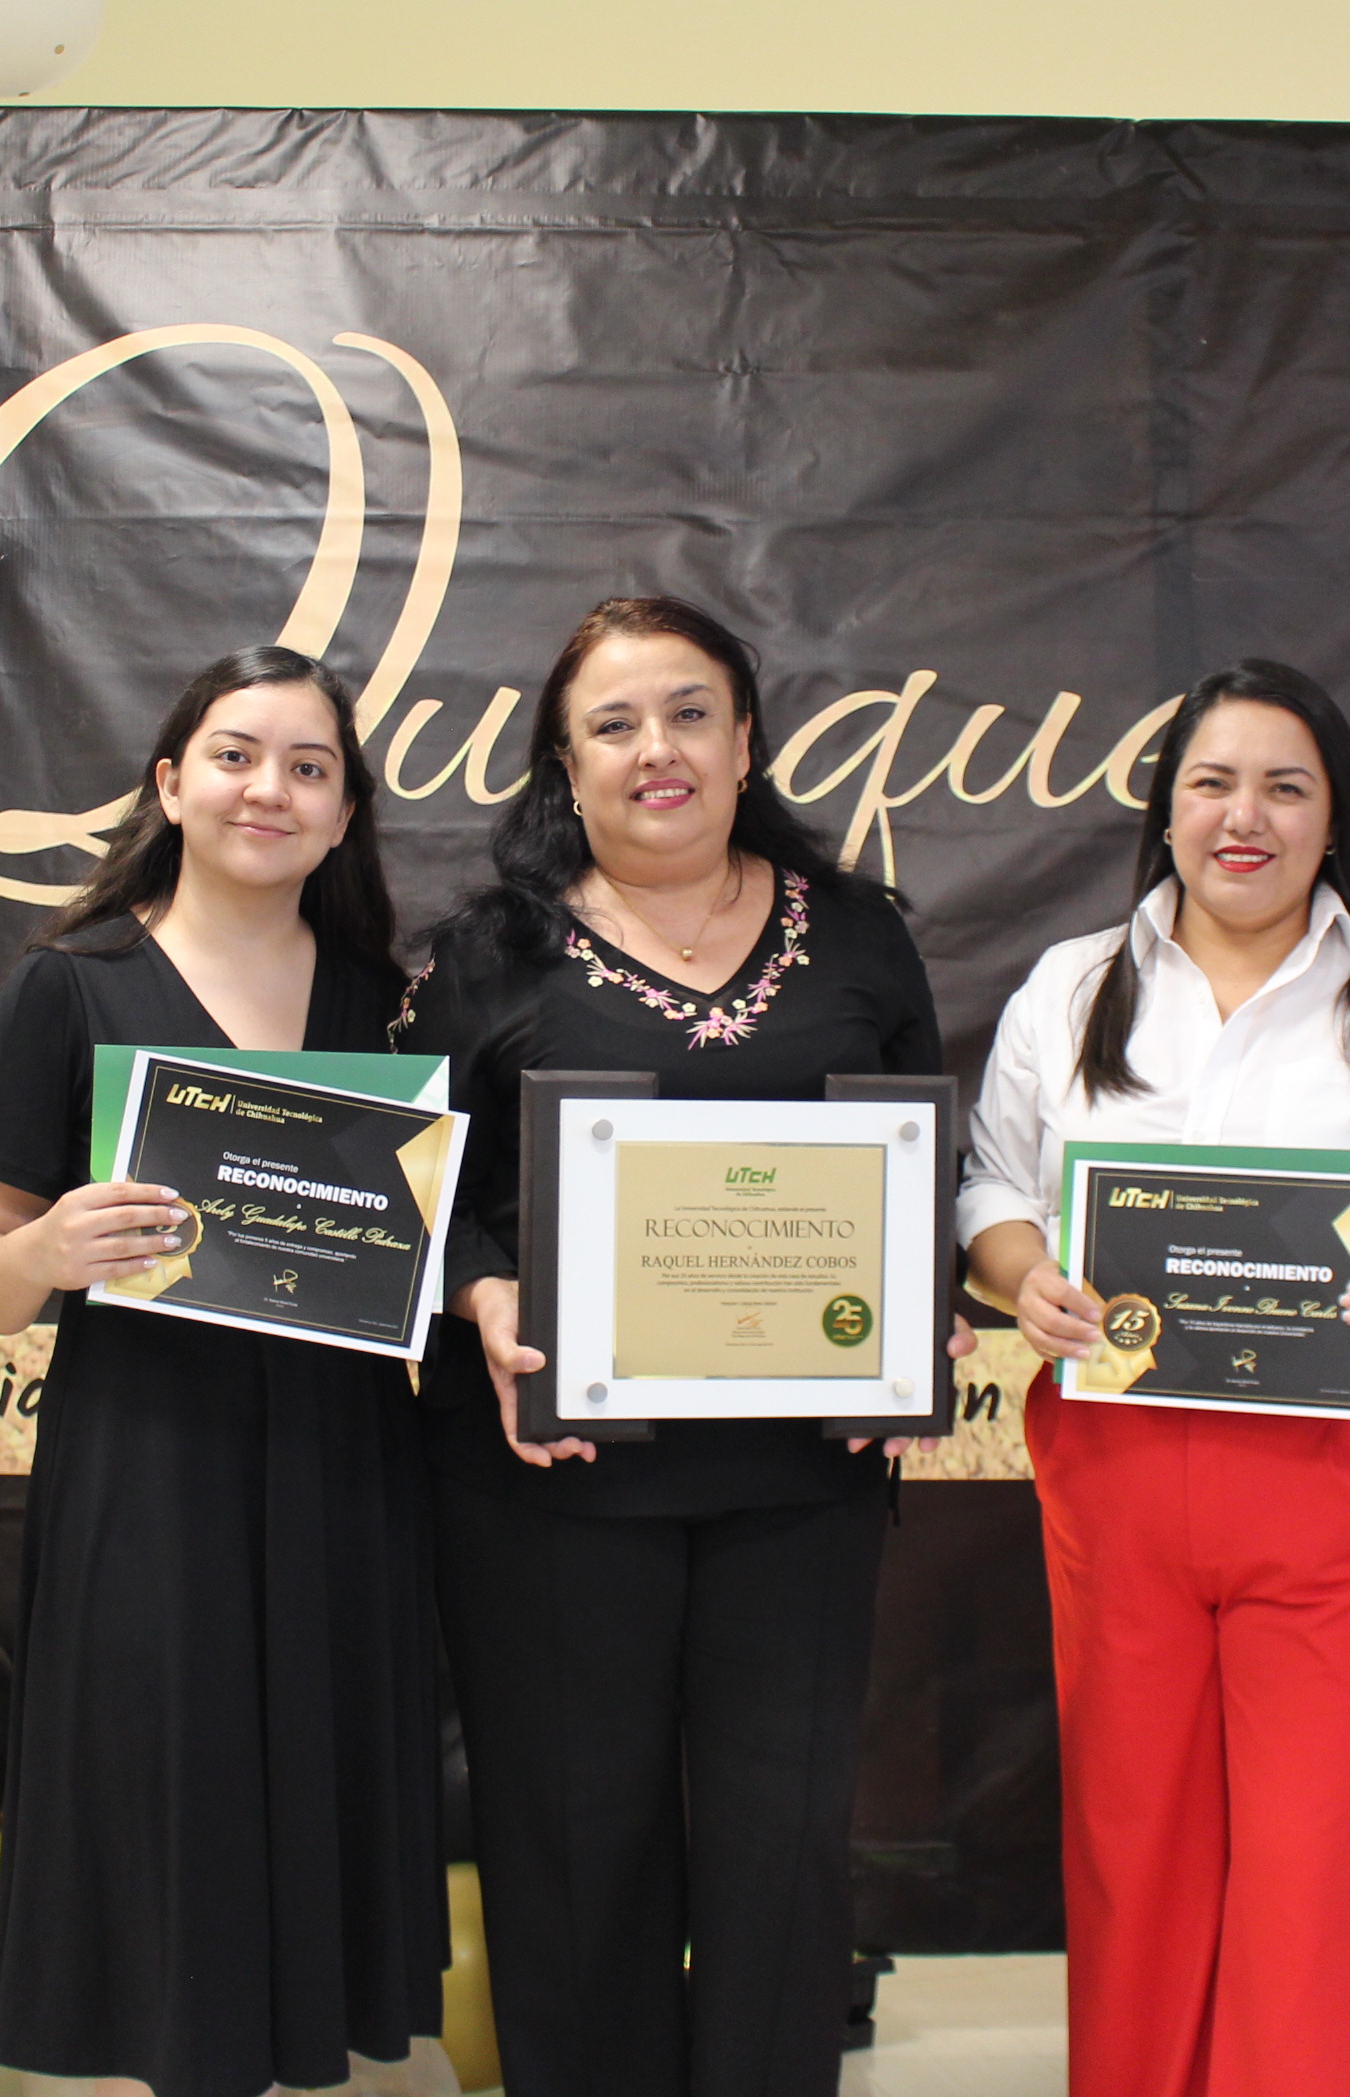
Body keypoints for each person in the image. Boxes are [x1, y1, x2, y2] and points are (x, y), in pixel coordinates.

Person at [395, 595, 943, 2097]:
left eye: (692, 713)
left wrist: (916, 1309)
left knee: (784, 1858)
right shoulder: (482, 957)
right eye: (616, 724)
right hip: (553, 1485)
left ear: (747, 742)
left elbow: (926, 1161)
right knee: (575, 1859)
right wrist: (485, 1296)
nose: (659, 750)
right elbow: (410, 1193)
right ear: (564, 766)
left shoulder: (860, 936)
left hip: (802, 1485)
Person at [957, 658, 1350, 2097]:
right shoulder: (1074, 988)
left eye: (1285, 787)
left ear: (1336, 819)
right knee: (1135, 1856)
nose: (1243, 817)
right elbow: (990, 1189)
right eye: (1212, 783)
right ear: (1169, 809)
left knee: (1320, 1873)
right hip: (1121, 1478)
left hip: (1345, 1485)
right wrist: (1028, 1276)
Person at [0, 647, 442, 2097]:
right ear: (168, 785)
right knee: (169, 1803)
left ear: (344, 816)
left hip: (343, 1471)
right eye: (235, 755)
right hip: (149, 1473)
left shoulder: (387, 1004)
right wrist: (44, 1251)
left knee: (314, 1785)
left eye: (308, 767)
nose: (267, 789)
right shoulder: (70, 987)